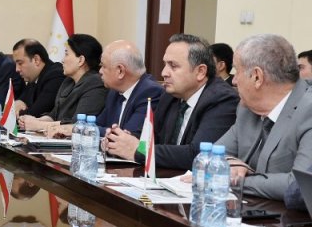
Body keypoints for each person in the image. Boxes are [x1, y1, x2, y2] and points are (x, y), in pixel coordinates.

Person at [105, 34, 239, 170]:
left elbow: (198, 154)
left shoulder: (222, 100)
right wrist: (120, 141)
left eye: (173, 66)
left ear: (200, 72)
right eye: (165, 65)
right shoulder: (170, 95)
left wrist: (140, 151)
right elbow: (151, 135)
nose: (164, 73)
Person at [218, 34, 312, 200]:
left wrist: (237, 181)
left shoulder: (308, 110)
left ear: (257, 77)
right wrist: (231, 164)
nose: (234, 81)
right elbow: (210, 156)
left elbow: (299, 186)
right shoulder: (247, 109)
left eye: (237, 71)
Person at [18, 33, 107, 133]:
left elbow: (78, 125)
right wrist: (35, 121)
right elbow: (54, 115)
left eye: (66, 54)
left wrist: (39, 125)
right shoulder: (68, 81)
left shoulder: (95, 83)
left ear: (80, 60)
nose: (62, 60)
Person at [11, 38, 65, 117]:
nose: (17, 69)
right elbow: (22, 99)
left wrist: (16, 113)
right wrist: (19, 102)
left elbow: (35, 113)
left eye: (20, 63)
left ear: (36, 60)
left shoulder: (56, 76)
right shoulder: (34, 77)